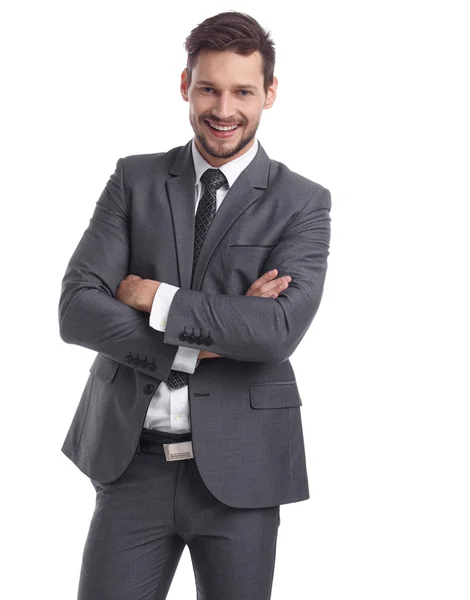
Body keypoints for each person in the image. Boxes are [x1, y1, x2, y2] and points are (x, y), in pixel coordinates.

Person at [58, 10, 332, 600]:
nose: (223, 110)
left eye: (242, 91)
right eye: (208, 88)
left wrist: (151, 295)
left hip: (244, 470)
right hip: (133, 464)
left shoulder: (302, 203)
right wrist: (208, 336)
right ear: (185, 85)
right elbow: (77, 309)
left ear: (271, 93)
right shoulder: (134, 180)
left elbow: (276, 332)